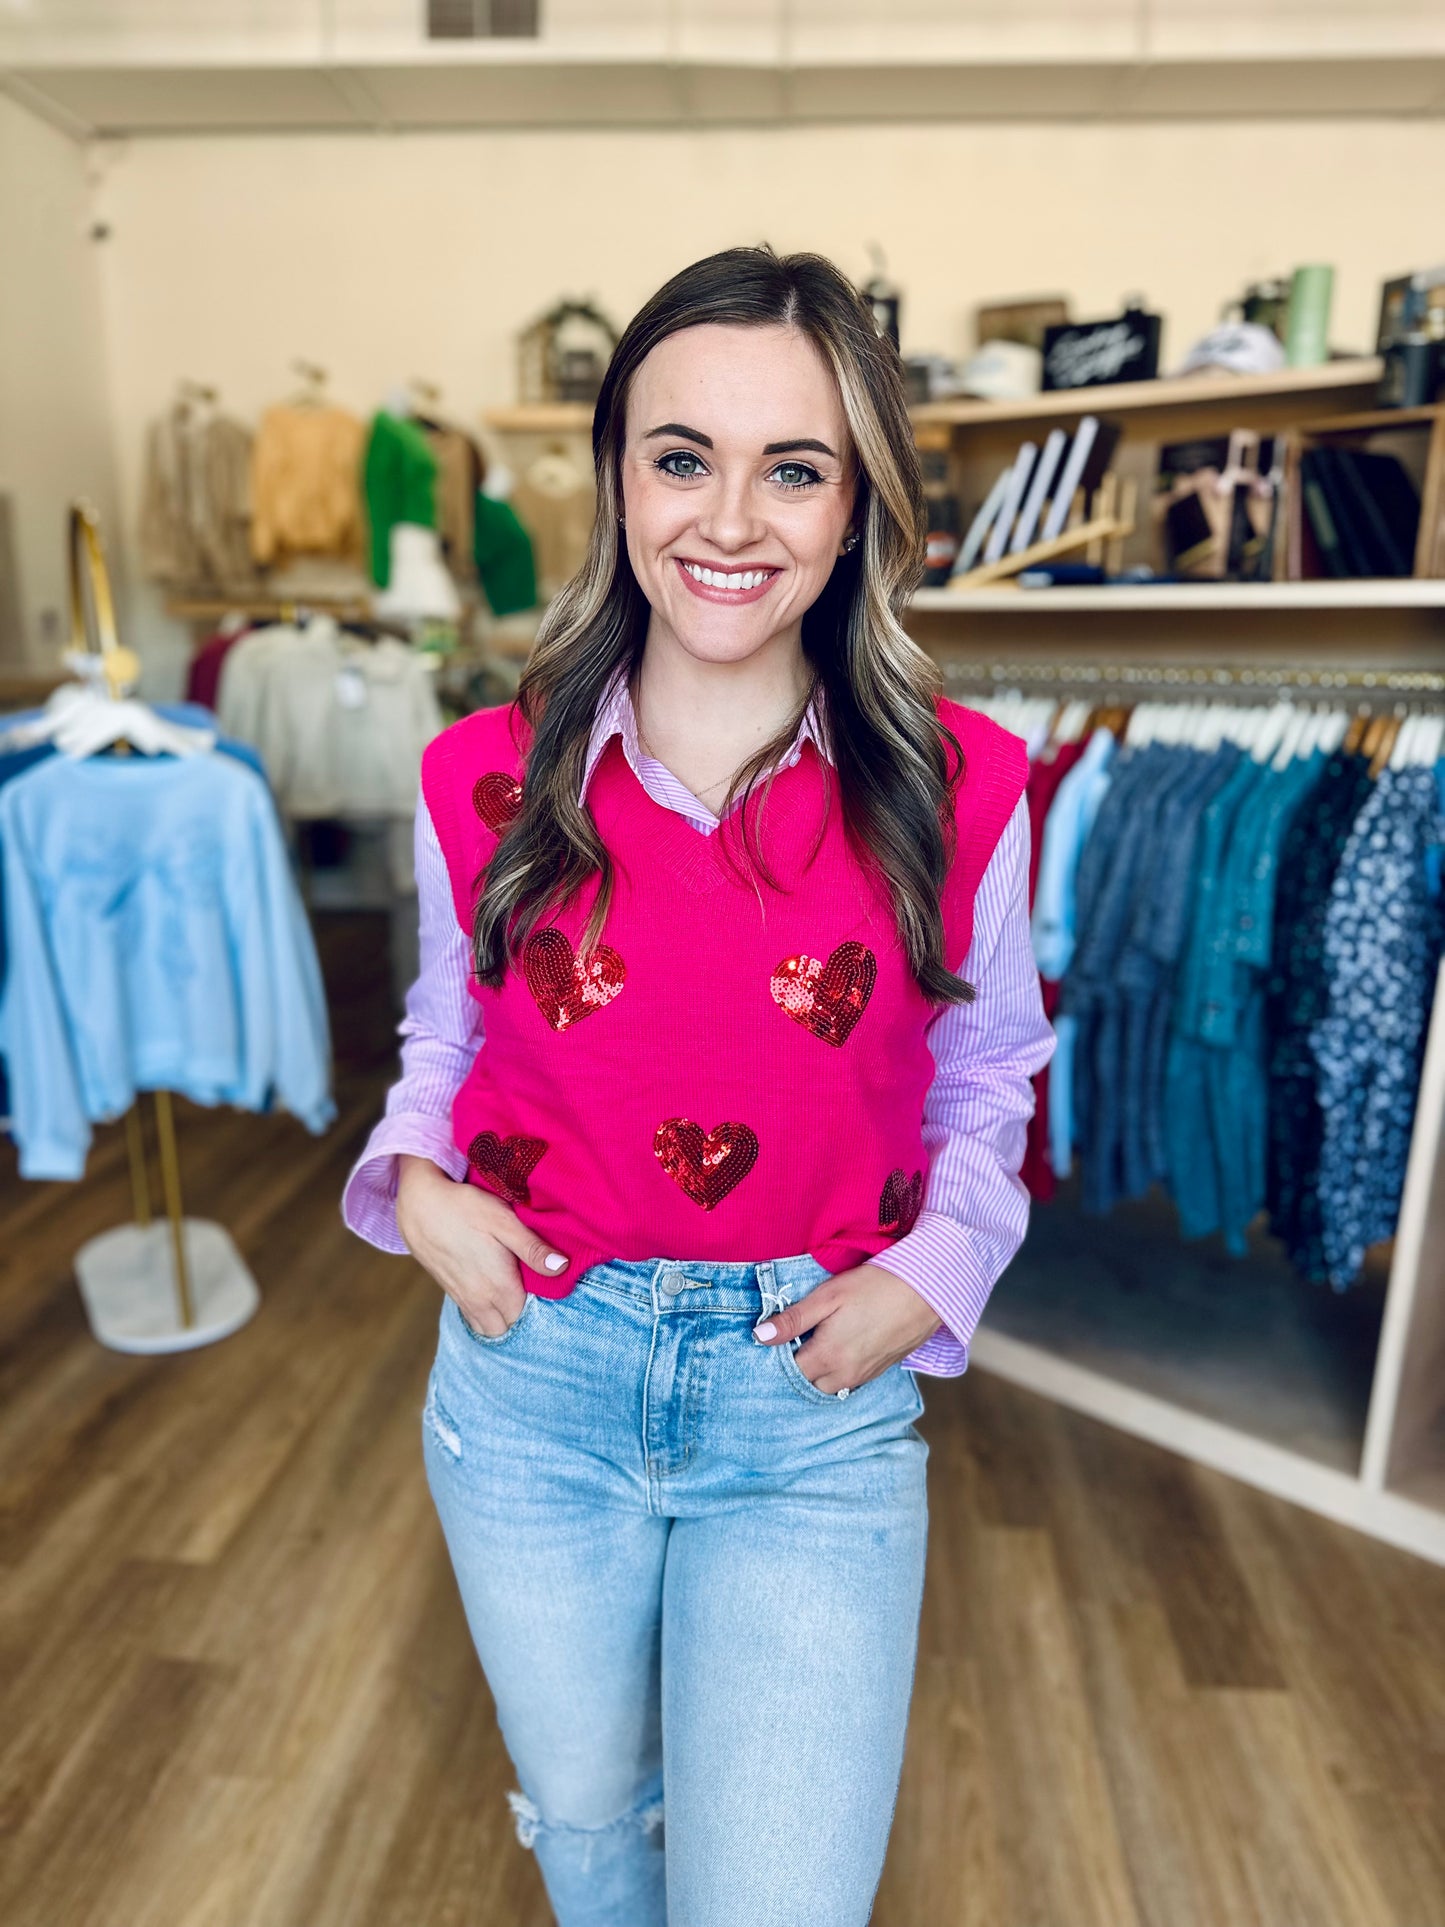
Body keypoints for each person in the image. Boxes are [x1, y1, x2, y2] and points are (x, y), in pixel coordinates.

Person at [343, 245, 1054, 1927]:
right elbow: (446, 1032)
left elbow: (992, 1068)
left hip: (804, 1408)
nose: (728, 520)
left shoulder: (961, 789)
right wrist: (414, 1190)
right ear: (616, 478)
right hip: (530, 1387)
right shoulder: (482, 774)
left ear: (853, 503)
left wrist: (928, 1275)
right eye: (682, 457)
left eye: (790, 468)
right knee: (589, 1832)